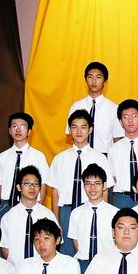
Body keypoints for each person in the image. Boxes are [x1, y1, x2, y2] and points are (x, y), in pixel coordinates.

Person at [48, 109, 112, 256]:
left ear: (90, 130)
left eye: (83, 127)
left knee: (90, 253)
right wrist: (56, 220)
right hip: (66, 212)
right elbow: (55, 191)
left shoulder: (100, 158)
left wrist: (103, 216)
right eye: (74, 127)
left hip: (90, 211)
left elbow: (105, 190)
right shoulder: (59, 159)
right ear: (69, 130)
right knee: (66, 255)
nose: (79, 131)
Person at [0, 112, 49, 221]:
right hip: (6, 206)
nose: (18, 130)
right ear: (9, 131)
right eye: (14, 126)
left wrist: (36, 206)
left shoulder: (38, 156)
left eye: (22, 126)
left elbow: (43, 185)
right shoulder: (2, 157)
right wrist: (5, 204)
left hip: (31, 205)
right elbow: (0, 185)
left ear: (29, 131)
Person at [0, 166, 58, 267]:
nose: (32, 187)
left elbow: (55, 245)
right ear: (19, 187)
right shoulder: (8, 217)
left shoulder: (48, 215)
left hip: (43, 269)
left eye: (36, 184)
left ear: (40, 188)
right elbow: (5, 249)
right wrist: (19, 269)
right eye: (27, 183)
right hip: (16, 270)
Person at [63, 61, 124, 155]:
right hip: (81, 155)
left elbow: (118, 139)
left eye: (98, 77)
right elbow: (71, 135)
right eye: (90, 77)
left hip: (105, 156)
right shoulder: (76, 106)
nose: (94, 81)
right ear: (85, 80)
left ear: (105, 81)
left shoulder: (114, 108)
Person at [67, 164, 119, 274]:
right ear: (83, 186)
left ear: (104, 185)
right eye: (88, 184)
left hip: (107, 265)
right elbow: (76, 244)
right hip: (83, 264)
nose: (92, 188)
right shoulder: (76, 213)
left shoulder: (115, 213)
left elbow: (117, 243)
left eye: (97, 183)